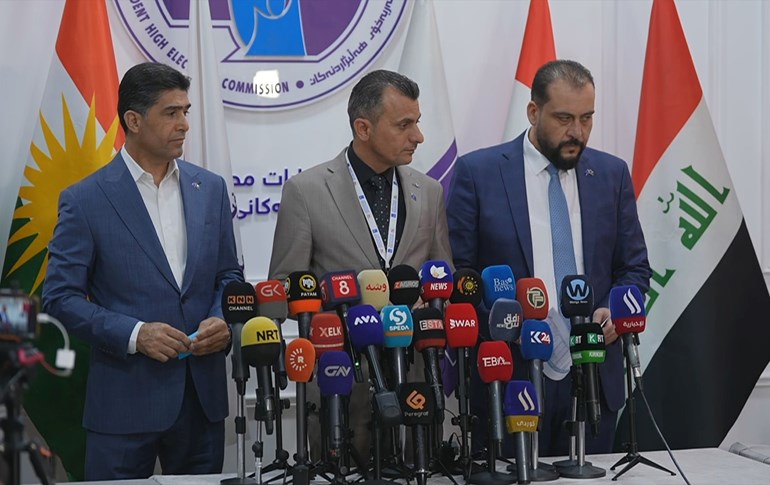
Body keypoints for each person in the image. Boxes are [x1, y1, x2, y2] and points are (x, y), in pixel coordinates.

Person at [43, 62, 243, 479]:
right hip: (123, 404)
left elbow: (229, 278)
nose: (184, 124)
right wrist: (136, 335)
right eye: (171, 113)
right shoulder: (85, 200)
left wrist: (223, 321)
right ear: (133, 120)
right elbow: (60, 298)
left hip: (200, 400)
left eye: (186, 111)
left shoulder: (211, 190)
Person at [447, 60, 651, 456]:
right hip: (511, 375)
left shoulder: (611, 174)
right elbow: (462, 273)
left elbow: (634, 268)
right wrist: (502, 320)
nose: (577, 132)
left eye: (587, 118)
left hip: (593, 368)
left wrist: (615, 309)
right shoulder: (480, 172)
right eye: (563, 118)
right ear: (533, 112)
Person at [268, 69, 452, 461]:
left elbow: (443, 283)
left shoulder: (430, 192)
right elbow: (283, 291)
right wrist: (343, 308)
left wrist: (430, 306)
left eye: (417, 123)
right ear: (363, 128)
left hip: (415, 383)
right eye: (404, 125)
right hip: (341, 386)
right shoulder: (306, 192)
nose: (417, 136)